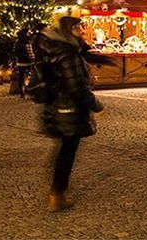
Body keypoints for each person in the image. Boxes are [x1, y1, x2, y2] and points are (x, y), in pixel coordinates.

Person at [39, 14, 103, 212]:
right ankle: (57, 194)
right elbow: (75, 86)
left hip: (57, 106)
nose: (83, 31)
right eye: (79, 27)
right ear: (71, 30)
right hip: (68, 108)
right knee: (67, 151)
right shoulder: (67, 53)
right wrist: (96, 104)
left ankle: (56, 189)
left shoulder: (57, 48)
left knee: (64, 149)